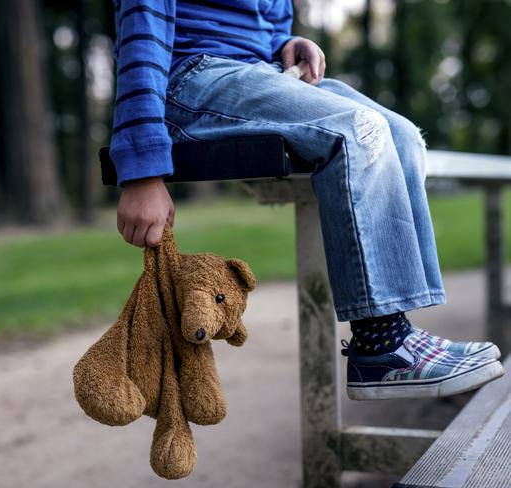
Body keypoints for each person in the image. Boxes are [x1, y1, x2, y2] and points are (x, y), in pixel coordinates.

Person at [109, 0, 504, 400]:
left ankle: (399, 331)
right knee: (357, 129)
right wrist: (141, 169)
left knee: (403, 137)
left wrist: (285, 42)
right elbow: (141, 28)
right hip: (190, 76)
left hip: (266, 71)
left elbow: (255, 20)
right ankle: (381, 344)